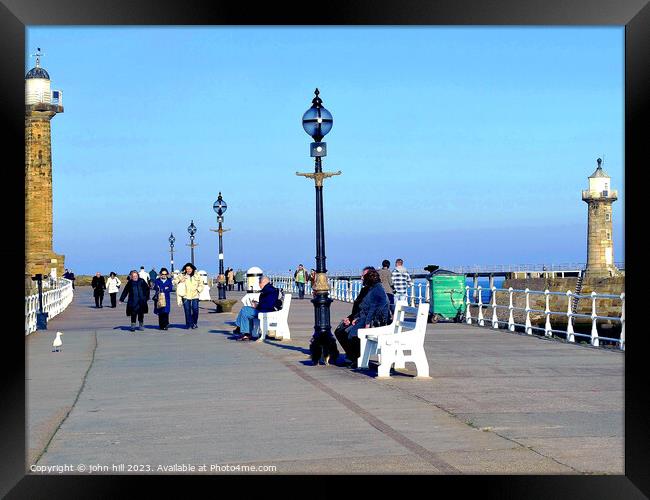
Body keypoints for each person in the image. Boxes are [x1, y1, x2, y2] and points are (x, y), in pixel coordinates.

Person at [334, 267, 390, 367]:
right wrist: (350, 318)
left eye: (363, 276)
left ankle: (357, 358)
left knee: (351, 333)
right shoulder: (366, 290)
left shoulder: (376, 290)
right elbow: (359, 308)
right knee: (339, 331)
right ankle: (353, 356)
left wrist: (362, 321)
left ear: (370, 276)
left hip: (374, 322)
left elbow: (375, 310)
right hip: (361, 318)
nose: (361, 278)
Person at [233, 276, 280, 341]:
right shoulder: (269, 289)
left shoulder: (268, 291)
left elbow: (268, 305)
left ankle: (243, 330)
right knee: (245, 309)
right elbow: (267, 303)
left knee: (245, 310)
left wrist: (257, 305)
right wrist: (257, 305)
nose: (259, 285)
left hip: (266, 311)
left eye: (259, 283)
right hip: (266, 310)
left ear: (263, 282)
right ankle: (243, 330)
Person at [172, 262, 204, 329]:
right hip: (185, 295)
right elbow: (174, 282)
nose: (188, 270)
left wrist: (198, 290)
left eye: (189, 269)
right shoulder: (182, 275)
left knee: (195, 310)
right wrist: (180, 280)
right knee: (187, 310)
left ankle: (194, 322)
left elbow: (201, 284)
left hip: (195, 295)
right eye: (187, 269)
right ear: (185, 269)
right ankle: (188, 324)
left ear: (192, 269)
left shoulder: (197, 275)